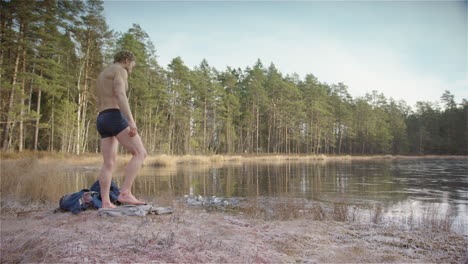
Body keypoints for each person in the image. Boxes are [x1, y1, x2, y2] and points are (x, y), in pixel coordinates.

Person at [95, 50, 147, 208]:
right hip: (114, 116)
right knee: (140, 153)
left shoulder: (103, 74)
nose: (131, 68)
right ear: (126, 60)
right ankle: (125, 193)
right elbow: (119, 94)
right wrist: (131, 120)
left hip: (102, 118)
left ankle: (105, 202)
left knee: (108, 163)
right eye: (132, 64)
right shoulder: (120, 70)